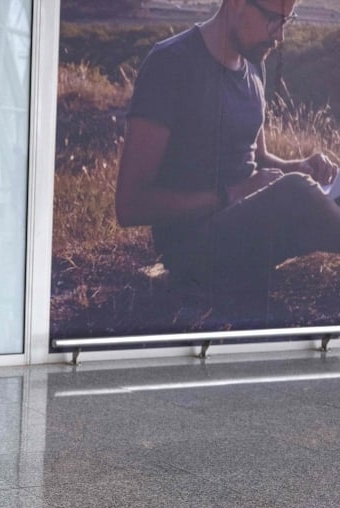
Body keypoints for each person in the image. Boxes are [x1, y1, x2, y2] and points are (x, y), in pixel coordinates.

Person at [115, 0, 340, 322]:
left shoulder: (253, 65)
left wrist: (302, 165)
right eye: (273, 20)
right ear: (236, 4)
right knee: (297, 192)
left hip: (251, 227)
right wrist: (231, 194)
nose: (280, 37)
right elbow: (130, 205)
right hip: (192, 248)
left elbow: (257, 158)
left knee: (318, 184)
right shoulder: (170, 63)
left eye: (287, 21)